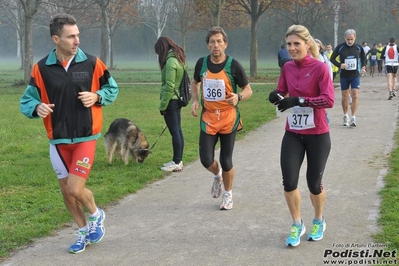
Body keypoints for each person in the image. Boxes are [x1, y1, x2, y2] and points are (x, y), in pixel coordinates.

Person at [19, 13, 119, 254]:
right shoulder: (41, 68)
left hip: (85, 137)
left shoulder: (93, 63)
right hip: (58, 139)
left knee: (75, 188)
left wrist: (97, 96)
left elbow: (111, 88)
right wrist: (36, 107)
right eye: (71, 36)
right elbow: (27, 100)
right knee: (66, 192)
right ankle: (83, 231)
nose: (77, 41)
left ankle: (96, 214)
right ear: (56, 39)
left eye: (78, 35)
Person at [268, 24, 334, 247]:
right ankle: (297, 224)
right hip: (293, 133)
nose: (292, 48)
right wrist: (276, 94)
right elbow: (282, 90)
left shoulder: (320, 68)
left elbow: (328, 100)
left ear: (307, 44)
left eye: (297, 44)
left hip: (317, 134)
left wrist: (299, 100)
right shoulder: (287, 67)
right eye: (289, 44)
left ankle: (319, 220)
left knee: (314, 183)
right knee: (289, 181)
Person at [190, 26, 253, 210]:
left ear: (225, 44)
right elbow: (195, 82)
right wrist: (195, 100)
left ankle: (228, 194)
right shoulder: (201, 63)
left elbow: (248, 89)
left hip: (228, 118)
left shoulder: (234, 65)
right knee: (206, 159)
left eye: (219, 41)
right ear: (208, 45)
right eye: (212, 42)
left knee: (226, 160)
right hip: (208, 117)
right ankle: (217, 175)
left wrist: (238, 97)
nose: (216, 45)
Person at [154, 37, 186, 172]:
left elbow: (169, 86)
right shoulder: (178, 58)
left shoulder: (171, 61)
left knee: (175, 132)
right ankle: (177, 160)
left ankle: (177, 161)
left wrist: (162, 106)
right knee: (177, 130)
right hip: (176, 99)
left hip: (171, 101)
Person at [330, 29, 366, 127]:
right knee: (345, 96)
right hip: (344, 75)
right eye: (348, 39)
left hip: (355, 75)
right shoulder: (341, 47)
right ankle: (345, 115)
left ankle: (353, 117)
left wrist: (363, 67)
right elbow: (332, 58)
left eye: (351, 39)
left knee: (355, 95)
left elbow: (363, 57)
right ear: (345, 38)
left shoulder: (358, 47)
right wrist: (339, 65)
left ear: (355, 38)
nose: (350, 41)